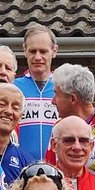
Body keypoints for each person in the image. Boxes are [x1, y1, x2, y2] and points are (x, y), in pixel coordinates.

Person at [48, 63, 95, 178]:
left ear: (72, 99)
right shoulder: (59, 127)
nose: (53, 101)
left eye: (56, 95)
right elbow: (50, 170)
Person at [16, 23, 60, 161]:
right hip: (20, 167)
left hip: (57, 169)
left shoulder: (64, 88)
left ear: (54, 51)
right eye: (32, 51)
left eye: (43, 51)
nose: (37, 57)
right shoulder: (13, 88)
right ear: (24, 50)